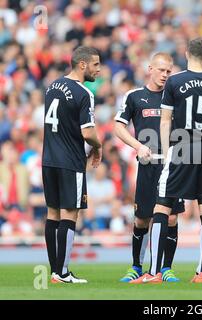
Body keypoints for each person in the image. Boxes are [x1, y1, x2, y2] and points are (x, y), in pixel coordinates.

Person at [130, 38, 202, 284]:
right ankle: (201, 273)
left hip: (181, 145)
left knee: (162, 206)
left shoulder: (175, 81)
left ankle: (154, 272)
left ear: (186, 53)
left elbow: (165, 120)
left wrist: (166, 149)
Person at [114, 52, 185, 283]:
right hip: (148, 165)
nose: (165, 74)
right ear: (150, 68)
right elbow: (119, 127)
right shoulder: (135, 96)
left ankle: (166, 268)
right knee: (142, 219)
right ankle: (136, 265)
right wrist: (138, 146)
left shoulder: (175, 96)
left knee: (171, 218)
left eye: (169, 71)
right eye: (161, 70)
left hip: (172, 167)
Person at [42, 46, 102, 284]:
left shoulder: (52, 86)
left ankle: (55, 271)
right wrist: (99, 146)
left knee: (52, 214)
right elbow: (87, 133)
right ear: (83, 65)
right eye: (96, 64)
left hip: (48, 159)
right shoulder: (83, 93)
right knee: (70, 214)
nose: (99, 69)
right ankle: (63, 272)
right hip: (70, 160)